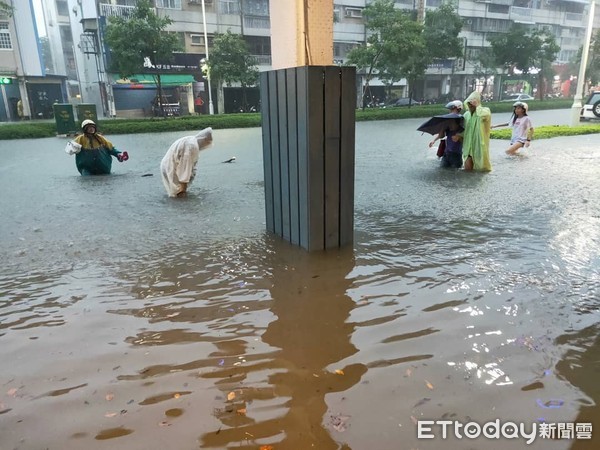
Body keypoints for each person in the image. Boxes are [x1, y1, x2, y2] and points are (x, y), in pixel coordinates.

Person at [160, 127, 213, 198]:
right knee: (178, 193)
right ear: (204, 139)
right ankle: (181, 205)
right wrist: (183, 187)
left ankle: (178, 204)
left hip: (168, 165)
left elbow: (191, 165)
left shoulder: (191, 140)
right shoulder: (191, 145)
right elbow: (185, 166)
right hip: (171, 167)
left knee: (176, 192)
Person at [462, 91, 492, 172]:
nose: (470, 105)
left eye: (472, 103)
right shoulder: (466, 115)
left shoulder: (485, 111)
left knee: (481, 170)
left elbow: (485, 116)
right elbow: (463, 129)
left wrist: (477, 106)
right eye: (469, 103)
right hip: (468, 146)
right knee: (467, 170)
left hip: (479, 146)